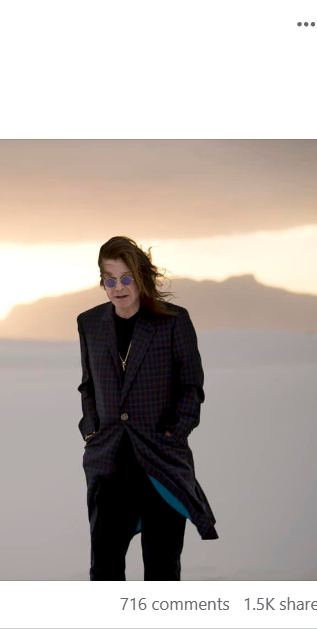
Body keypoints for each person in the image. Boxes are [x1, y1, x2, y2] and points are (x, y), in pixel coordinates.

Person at [77, 235, 217, 581]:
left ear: (140, 278)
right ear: (102, 282)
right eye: (110, 279)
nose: (119, 287)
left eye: (126, 278)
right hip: (108, 463)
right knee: (104, 567)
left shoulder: (173, 321)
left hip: (160, 461)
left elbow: (191, 386)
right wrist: (91, 429)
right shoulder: (89, 323)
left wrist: (176, 431)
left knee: (162, 569)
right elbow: (88, 384)